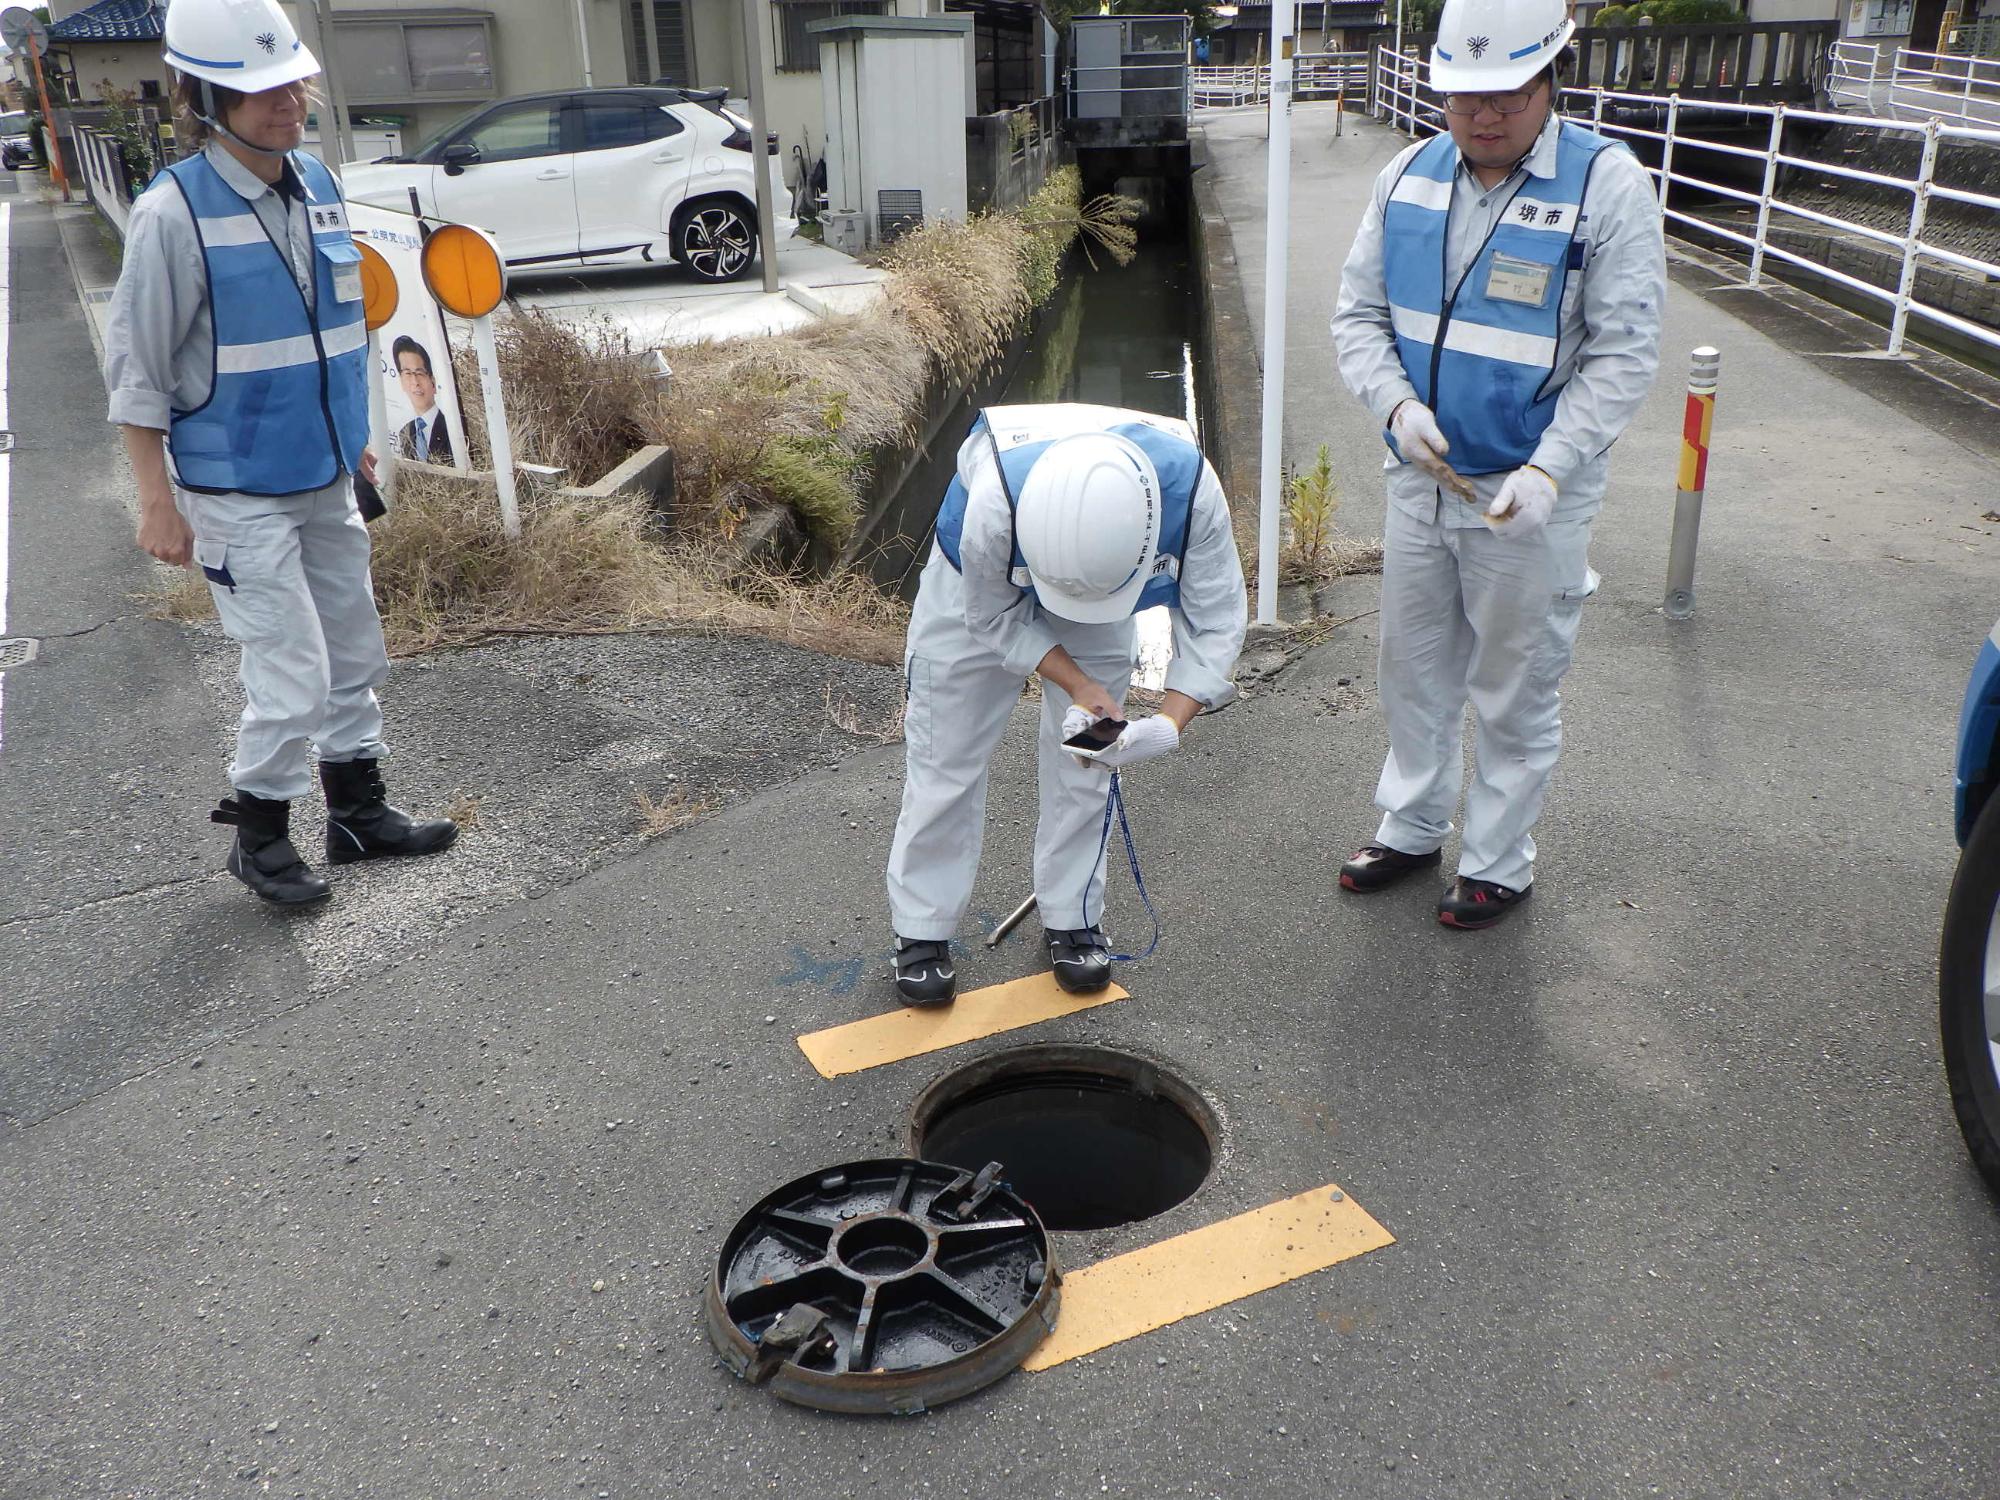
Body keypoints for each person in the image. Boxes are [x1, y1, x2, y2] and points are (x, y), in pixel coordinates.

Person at [103, 0, 457, 906]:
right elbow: (137, 372)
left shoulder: (320, 183)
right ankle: (260, 835)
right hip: (233, 485)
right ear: (206, 100)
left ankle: (358, 816)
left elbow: (339, 332)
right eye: (258, 92)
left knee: (352, 646)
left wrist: (359, 446)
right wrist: (156, 500)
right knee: (290, 667)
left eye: (290, 83)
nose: (285, 103)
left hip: (327, 469)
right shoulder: (171, 212)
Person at [1329, 0, 1665, 929]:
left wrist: (1552, 470)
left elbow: (1624, 351)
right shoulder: (1405, 176)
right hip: (1422, 477)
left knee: (1516, 684)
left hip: (1528, 490)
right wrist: (1396, 409)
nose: (1483, 116)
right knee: (1413, 667)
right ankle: (1412, 820)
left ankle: (1499, 860)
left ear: (1552, 77)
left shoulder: (1607, 186)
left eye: (1507, 94)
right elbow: (1357, 318)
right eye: (1464, 96)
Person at [885, 403, 1248, 1006]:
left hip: (1105, 581)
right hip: (971, 595)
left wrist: (1167, 722)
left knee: (1089, 757)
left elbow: (1214, 623)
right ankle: (921, 931)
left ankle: (1073, 916)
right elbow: (994, 617)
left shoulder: (1192, 493)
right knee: (943, 758)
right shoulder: (996, 501)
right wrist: (1077, 683)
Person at [392, 336, 455, 465]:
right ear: (401, 382)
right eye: (408, 374)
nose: (415, 382)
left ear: (433, 382)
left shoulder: (451, 428)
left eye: (419, 373)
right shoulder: (405, 433)